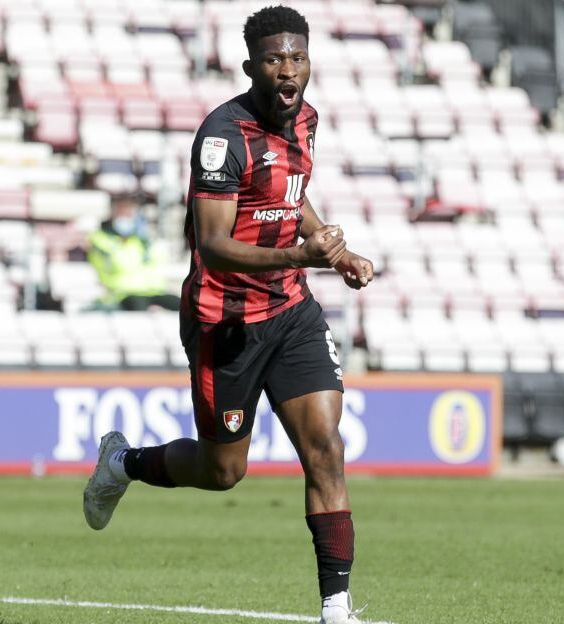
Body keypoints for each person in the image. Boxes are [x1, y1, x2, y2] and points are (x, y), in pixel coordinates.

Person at [82, 6, 375, 624]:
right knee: (223, 472)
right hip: (226, 321)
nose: (287, 70)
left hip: (291, 309)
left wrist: (337, 252)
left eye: (297, 58)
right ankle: (123, 463)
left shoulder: (307, 123)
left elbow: (290, 200)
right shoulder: (223, 136)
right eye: (274, 59)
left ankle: (337, 607)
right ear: (251, 67)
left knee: (325, 447)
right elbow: (211, 243)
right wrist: (302, 252)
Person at [86, 194, 180, 311]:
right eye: (123, 214)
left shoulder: (142, 239)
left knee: (185, 307)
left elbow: (154, 264)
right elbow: (117, 264)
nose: (127, 218)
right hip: (123, 293)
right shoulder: (100, 239)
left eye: (130, 214)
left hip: (154, 291)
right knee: (139, 308)